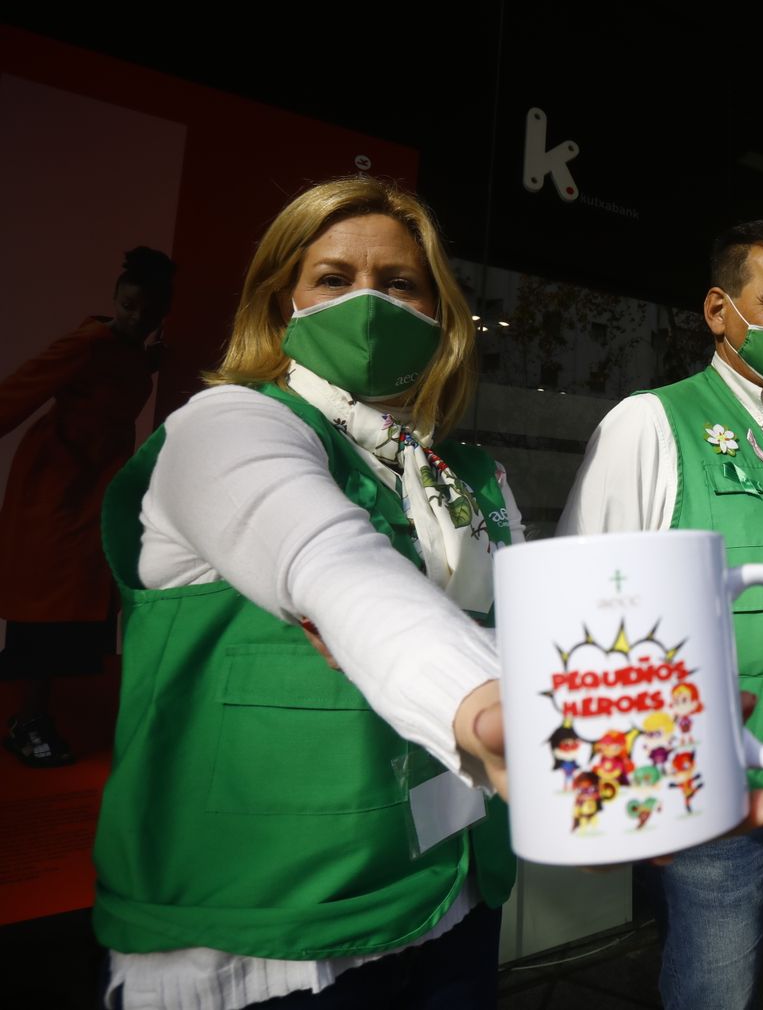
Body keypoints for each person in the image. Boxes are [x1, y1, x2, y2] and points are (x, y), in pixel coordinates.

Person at [93, 177, 521, 1010]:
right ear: (284, 305)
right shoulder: (228, 425)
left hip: (453, 900)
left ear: (440, 315)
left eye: (400, 284)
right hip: (266, 938)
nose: (369, 301)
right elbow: (331, 562)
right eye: (334, 278)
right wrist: (486, 707)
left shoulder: (469, 475)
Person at [558, 220, 763, 1010]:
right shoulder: (653, 423)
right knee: (715, 994)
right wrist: (631, 798)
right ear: (720, 311)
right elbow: (591, 600)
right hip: (721, 783)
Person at [0, 247, 173, 766]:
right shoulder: (90, 341)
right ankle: (26, 720)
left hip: (96, 486)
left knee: (76, 602)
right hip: (56, 484)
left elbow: (115, 388)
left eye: (147, 312)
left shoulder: (133, 349)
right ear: (115, 299)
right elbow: (16, 393)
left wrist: (145, 361)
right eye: (128, 306)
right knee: (47, 602)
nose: (135, 318)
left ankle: (39, 710)